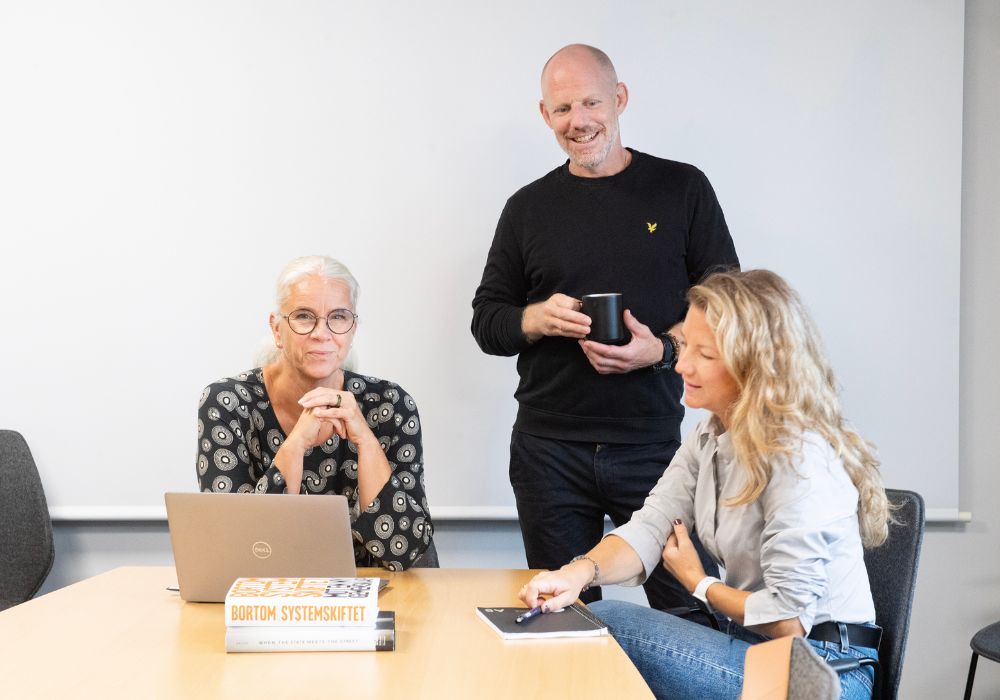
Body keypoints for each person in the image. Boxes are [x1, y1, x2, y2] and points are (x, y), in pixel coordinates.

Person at [518, 269, 890, 700]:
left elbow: (789, 621)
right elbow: (650, 526)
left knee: (610, 624)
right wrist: (575, 574)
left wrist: (699, 584)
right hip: (760, 652)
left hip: (824, 673)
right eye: (685, 346)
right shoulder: (711, 436)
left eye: (704, 354)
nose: (681, 364)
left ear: (755, 364)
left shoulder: (799, 458)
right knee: (591, 618)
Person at [470, 43, 739, 611]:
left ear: (619, 99)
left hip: (653, 446)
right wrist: (535, 319)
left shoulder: (682, 189)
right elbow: (487, 321)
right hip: (548, 451)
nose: (579, 122)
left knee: (693, 611)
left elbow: (730, 310)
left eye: (590, 103)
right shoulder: (527, 208)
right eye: (562, 109)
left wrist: (661, 352)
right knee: (564, 614)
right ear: (545, 115)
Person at [197, 255, 433, 571]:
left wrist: (365, 440)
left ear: (352, 330)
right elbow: (240, 549)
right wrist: (295, 445)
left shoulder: (390, 405)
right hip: (271, 596)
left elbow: (406, 552)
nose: (322, 333)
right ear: (277, 329)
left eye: (338, 317)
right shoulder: (227, 403)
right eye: (304, 317)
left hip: (375, 590)